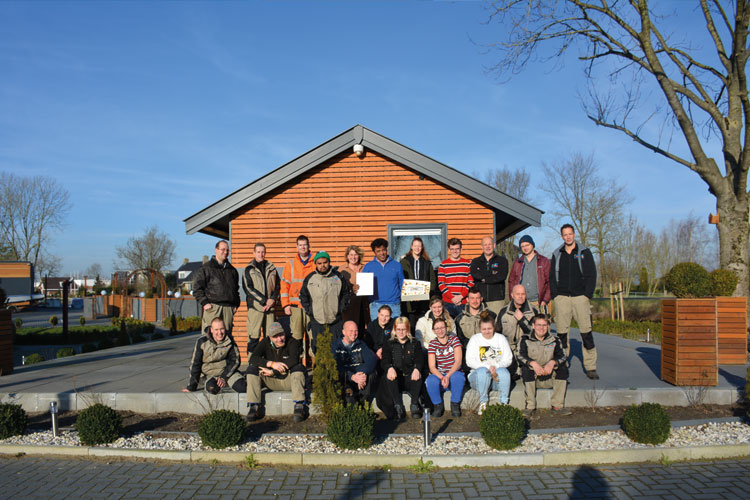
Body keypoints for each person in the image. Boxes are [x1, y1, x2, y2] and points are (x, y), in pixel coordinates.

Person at [550, 224, 599, 379]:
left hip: (580, 298)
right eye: (565, 234)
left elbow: (592, 274)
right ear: (562, 236)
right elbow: (552, 276)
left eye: (570, 234)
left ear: (574, 234)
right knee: (562, 334)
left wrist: (587, 295)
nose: (568, 237)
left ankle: (590, 366)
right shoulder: (557, 254)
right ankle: (563, 363)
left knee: (586, 332)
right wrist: (555, 296)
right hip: (562, 298)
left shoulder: (584, 252)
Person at [246, 322, 306, 422]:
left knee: (298, 368)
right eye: (275, 337)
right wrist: (271, 363)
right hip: (271, 381)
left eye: (281, 335)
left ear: (284, 333)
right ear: (270, 337)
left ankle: (299, 406)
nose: (280, 339)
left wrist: (274, 371)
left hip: (289, 381)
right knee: (251, 369)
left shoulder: (293, 342)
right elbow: (253, 358)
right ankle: (254, 407)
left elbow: (294, 359)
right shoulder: (265, 342)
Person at [517, 314, 571, 417]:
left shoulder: (555, 340)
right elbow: (520, 355)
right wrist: (532, 363)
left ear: (548, 326)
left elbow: (563, 356)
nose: (541, 328)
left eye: (544, 325)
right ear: (533, 326)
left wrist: (552, 363)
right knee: (525, 368)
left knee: (563, 368)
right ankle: (530, 406)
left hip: (549, 376)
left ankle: (557, 406)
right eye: (538, 325)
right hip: (533, 378)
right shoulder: (525, 339)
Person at [299, 251, 350, 353]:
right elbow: (303, 296)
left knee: (336, 348)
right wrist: (311, 311)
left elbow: (346, 294)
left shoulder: (338, 277)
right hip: (317, 321)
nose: (323, 265)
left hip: (335, 321)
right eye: (319, 263)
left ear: (329, 262)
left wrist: (340, 310)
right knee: (318, 349)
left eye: (325, 262)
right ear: (316, 264)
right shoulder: (310, 278)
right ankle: (320, 369)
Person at [376, 317, 425, 420]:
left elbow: (419, 360)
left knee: (418, 373)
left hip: (409, 377)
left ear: (407, 330)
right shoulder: (389, 343)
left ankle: (414, 405)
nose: (401, 332)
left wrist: (417, 369)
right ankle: (398, 406)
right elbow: (385, 360)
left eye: (403, 329)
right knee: (389, 375)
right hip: (396, 378)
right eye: (398, 329)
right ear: (395, 329)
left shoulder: (415, 343)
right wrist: (389, 368)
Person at [466, 311, 513, 415]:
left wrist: (496, 366)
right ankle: (483, 402)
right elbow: (469, 361)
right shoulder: (475, 339)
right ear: (480, 329)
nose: (487, 331)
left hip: (495, 377)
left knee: (504, 372)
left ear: (494, 328)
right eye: (484, 329)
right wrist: (488, 367)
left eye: (489, 329)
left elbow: (508, 359)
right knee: (483, 371)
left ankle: (504, 402)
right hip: (478, 378)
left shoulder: (500, 338)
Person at [182, 318, 246, 394]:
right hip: (209, 375)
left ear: (225, 328)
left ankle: (249, 379)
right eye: (216, 330)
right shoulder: (202, 342)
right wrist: (191, 387)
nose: (219, 333)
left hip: (226, 373)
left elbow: (235, 361)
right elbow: (196, 364)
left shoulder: (230, 340)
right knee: (212, 388)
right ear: (211, 330)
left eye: (222, 329)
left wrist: (223, 377)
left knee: (242, 387)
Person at [193, 240, 240, 334]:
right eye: (223, 249)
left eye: (227, 250)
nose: (225, 252)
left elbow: (236, 290)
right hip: (213, 308)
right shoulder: (206, 268)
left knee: (227, 338)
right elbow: (197, 289)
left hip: (228, 309)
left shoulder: (232, 271)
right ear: (216, 250)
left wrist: (235, 305)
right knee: (209, 338)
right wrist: (205, 303)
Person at [242, 242, 280, 354]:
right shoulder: (249, 269)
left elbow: (277, 285)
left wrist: (272, 300)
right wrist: (264, 301)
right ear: (254, 253)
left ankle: (270, 362)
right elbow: (248, 289)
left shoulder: (272, 268)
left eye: (263, 252)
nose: (261, 254)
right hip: (256, 308)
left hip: (270, 309)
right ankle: (252, 363)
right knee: (254, 337)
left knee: (270, 337)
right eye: (258, 252)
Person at [425, 317, 465, 417]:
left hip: (453, 371)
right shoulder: (432, 344)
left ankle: (455, 404)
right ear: (434, 331)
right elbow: (432, 367)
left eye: (442, 327)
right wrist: (442, 377)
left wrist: (448, 376)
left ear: (446, 328)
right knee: (430, 380)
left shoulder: (454, 339)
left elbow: (458, 361)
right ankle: (438, 405)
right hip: (440, 373)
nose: (440, 330)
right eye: (437, 328)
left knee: (458, 377)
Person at [332, 320, 378, 405]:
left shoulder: (361, 344)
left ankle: (363, 405)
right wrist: (352, 376)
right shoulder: (335, 346)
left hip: (360, 379)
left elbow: (372, 360)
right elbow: (336, 367)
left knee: (372, 374)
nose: (354, 333)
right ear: (343, 332)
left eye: (356, 330)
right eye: (351, 331)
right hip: (345, 379)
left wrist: (361, 373)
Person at [281, 235, 316, 343]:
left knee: (314, 335)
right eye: (300, 245)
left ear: (308, 245)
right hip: (295, 308)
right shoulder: (290, 264)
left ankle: (315, 359)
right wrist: (286, 305)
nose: (302, 247)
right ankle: (297, 359)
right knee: (296, 337)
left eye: (304, 245)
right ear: (297, 247)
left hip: (312, 306)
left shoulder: (316, 262)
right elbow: (284, 286)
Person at [400, 237, 438, 330]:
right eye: (415, 246)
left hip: (424, 300)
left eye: (419, 246)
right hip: (409, 301)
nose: (417, 248)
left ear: (422, 248)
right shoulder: (404, 262)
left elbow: (432, 280)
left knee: (423, 325)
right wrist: (410, 294)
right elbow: (401, 279)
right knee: (411, 325)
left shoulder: (427, 263)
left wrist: (427, 293)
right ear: (411, 247)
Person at [362, 238, 405, 320]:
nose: (382, 253)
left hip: (394, 304)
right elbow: (363, 287)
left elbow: (402, 284)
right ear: (374, 252)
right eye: (378, 251)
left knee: (395, 331)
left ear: (386, 249)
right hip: (376, 305)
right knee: (377, 332)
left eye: (383, 250)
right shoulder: (368, 267)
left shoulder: (397, 265)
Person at [508, 235, 551, 312]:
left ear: (532, 245)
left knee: (540, 324)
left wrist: (545, 300)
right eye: (522, 246)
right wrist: (513, 299)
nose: (525, 248)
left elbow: (550, 282)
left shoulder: (543, 261)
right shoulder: (517, 262)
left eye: (527, 245)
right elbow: (511, 281)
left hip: (538, 302)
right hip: (521, 303)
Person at [496, 284, 537, 361]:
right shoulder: (503, 312)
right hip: (508, 350)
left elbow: (536, 333)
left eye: (523, 294)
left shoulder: (534, 312)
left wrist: (522, 320)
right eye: (518, 294)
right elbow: (497, 333)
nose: (520, 296)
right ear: (512, 295)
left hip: (527, 350)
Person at [470, 236, 509, 315]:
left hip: (497, 300)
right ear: (482, 247)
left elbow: (501, 277)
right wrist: (492, 275)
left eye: (489, 244)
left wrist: (484, 279)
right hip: (480, 301)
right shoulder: (475, 262)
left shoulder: (502, 261)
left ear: (494, 245)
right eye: (485, 245)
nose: (487, 247)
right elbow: (475, 274)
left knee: (496, 325)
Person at [437, 238, 474, 318]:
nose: (455, 251)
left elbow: (471, 282)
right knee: (449, 328)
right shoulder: (443, 265)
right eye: (452, 249)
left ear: (461, 249)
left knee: (463, 328)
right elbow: (441, 284)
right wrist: (452, 297)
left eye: (457, 249)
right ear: (449, 249)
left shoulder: (467, 264)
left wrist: (460, 296)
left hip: (463, 302)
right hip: (448, 302)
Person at [338, 245, 369, 331]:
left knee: (363, 328)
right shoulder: (342, 269)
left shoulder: (365, 268)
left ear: (359, 256)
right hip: (349, 304)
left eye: (355, 255)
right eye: (351, 255)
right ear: (347, 256)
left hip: (364, 303)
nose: (353, 257)